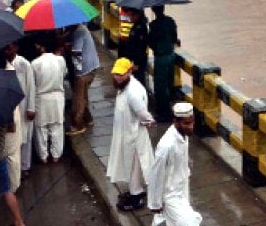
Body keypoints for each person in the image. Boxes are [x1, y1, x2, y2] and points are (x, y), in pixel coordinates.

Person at [106, 58, 155, 212]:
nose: (117, 77)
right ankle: (137, 190)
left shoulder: (132, 92)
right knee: (134, 165)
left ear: (129, 72)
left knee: (134, 165)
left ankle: (136, 197)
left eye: (121, 75)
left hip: (133, 134)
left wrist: (149, 121)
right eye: (115, 74)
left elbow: (142, 113)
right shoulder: (125, 86)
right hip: (127, 132)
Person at [148, 102, 202, 225]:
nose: (191, 126)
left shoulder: (184, 136)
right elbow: (156, 174)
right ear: (175, 122)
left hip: (182, 189)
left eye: (192, 122)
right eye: (186, 123)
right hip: (170, 195)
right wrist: (155, 203)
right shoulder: (167, 145)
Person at [31, 35, 67, 164]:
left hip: (41, 98)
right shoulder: (60, 60)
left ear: (41, 47)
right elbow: (64, 74)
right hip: (57, 97)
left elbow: (33, 83)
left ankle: (43, 156)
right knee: (57, 127)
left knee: (41, 129)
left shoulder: (35, 63)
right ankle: (56, 155)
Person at [4, 42, 35, 177]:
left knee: (26, 136)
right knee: (13, 137)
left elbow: (31, 86)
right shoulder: (2, 64)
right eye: (5, 49)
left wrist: (31, 107)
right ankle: (14, 169)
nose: (7, 52)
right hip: (10, 105)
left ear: (16, 48)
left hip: (23, 105)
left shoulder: (24, 64)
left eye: (9, 48)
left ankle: (25, 166)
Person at [148, 5, 179, 122]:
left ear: (153, 10)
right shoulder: (171, 21)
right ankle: (170, 109)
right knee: (169, 83)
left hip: (161, 57)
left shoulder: (154, 25)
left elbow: (150, 42)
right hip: (171, 55)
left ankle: (164, 113)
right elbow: (174, 38)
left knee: (160, 87)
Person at [68, 23, 99, 136]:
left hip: (84, 70)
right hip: (91, 66)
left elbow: (76, 53)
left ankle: (78, 124)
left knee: (78, 97)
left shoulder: (78, 33)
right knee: (83, 94)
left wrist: (78, 73)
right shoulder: (81, 28)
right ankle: (88, 118)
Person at [118, 7, 150, 96]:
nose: (130, 18)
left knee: (139, 83)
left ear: (138, 15)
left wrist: (136, 63)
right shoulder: (135, 25)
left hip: (138, 63)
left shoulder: (141, 27)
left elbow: (141, 48)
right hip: (132, 61)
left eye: (132, 15)